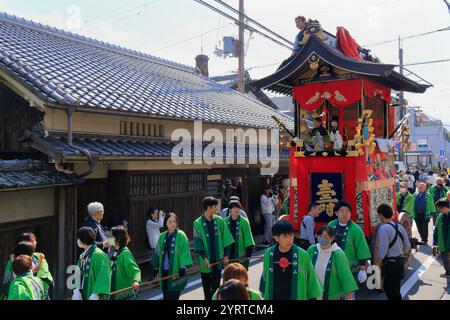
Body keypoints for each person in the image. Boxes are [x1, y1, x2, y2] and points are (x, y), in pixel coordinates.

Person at [259, 220, 323, 300]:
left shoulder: (302, 254)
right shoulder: (268, 253)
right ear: (276, 237)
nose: (289, 239)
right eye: (285, 236)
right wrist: (263, 289)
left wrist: (312, 297)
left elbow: (311, 277)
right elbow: (265, 273)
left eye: (291, 235)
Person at [194, 197, 234, 300]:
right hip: (205, 263)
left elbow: (226, 238)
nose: (217, 208)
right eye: (215, 206)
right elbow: (198, 242)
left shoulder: (219, 220)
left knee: (216, 290)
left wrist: (226, 255)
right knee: (207, 291)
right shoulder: (197, 223)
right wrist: (205, 258)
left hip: (218, 260)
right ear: (209, 207)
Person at [328, 201, 371, 288]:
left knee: (349, 291)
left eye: (347, 211)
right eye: (342, 211)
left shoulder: (356, 229)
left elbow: (362, 249)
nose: (345, 214)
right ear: (336, 213)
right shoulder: (331, 225)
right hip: (332, 265)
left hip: (350, 267)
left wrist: (362, 269)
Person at [307, 226, 358, 300]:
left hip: (332, 293)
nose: (322, 238)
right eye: (320, 236)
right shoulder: (312, 249)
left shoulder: (338, 254)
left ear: (332, 238)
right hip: (313, 293)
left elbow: (345, 275)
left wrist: (349, 296)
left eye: (325, 236)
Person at [152, 212, 193, 300]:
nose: (173, 224)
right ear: (165, 223)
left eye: (174, 221)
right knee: (166, 296)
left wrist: (183, 267)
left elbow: (184, 252)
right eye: (170, 222)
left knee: (173, 296)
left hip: (176, 271)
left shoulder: (181, 235)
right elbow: (157, 253)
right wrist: (155, 269)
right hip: (164, 272)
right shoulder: (162, 236)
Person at [374, 204, 411, 300]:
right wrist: (401, 254)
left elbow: (382, 250)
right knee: (396, 289)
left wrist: (377, 265)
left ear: (381, 215)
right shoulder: (400, 227)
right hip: (399, 262)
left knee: (390, 290)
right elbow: (408, 245)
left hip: (390, 264)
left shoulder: (384, 228)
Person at [72, 227, 111, 300]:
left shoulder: (99, 255)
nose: (78, 240)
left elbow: (103, 275)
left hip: (95, 295)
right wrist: (76, 290)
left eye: (79, 238)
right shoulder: (82, 255)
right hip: (83, 294)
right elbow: (77, 274)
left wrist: (96, 293)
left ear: (83, 239)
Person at [109, 226, 141, 300]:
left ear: (118, 238)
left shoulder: (125, 253)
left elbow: (134, 270)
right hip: (114, 291)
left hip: (124, 294)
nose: (109, 238)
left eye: (111, 236)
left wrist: (136, 281)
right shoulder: (113, 251)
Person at [224, 202, 255, 270]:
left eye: (238, 208)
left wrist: (248, 253)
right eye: (234, 208)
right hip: (229, 253)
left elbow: (248, 237)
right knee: (230, 275)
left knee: (240, 276)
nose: (236, 210)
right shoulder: (225, 221)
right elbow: (223, 238)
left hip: (241, 254)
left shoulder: (244, 221)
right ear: (230, 210)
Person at [433, 200, 450, 278]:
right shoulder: (439, 216)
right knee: (444, 258)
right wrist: (435, 241)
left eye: (439, 208)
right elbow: (436, 229)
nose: (439, 210)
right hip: (442, 243)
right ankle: (448, 272)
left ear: (444, 208)